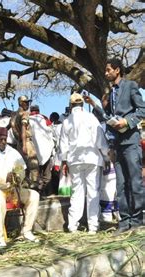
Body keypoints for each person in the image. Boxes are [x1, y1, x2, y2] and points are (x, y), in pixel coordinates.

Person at [87, 58, 145, 234]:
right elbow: (108, 118)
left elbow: (142, 109)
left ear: (117, 70)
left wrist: (127, 122)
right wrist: (95, 106)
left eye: (108, 70)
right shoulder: (111, 92)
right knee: (120, 184)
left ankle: (137, 220)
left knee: (135, 182)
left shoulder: (131, 86)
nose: (105, 74)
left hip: (131, 142)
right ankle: (124, 221)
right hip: (117, 145)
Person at [0, 127, 40, 246]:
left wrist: (17, 176)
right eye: (0, 139)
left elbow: (21, 169)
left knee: (34, 195)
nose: (3, 142)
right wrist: (5, 178)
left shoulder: (12, 151)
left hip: (12, 188)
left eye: (5, 139)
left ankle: (26, 231)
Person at [59, 93, 109, 234]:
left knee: (77, 193)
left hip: (74, 160)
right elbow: (100, 138)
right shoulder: (91, 118)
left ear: (71, 105)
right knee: (93, 192)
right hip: (92, 158)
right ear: (82, 104)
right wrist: (106, 156)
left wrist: (64, 161)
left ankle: (72, 226)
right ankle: (93, 226)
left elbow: (63, 144)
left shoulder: (67, 121)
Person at [10, 95, 40, 190]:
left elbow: (9, 126)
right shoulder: (24, 114)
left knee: (23, 167)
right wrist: (24, 144)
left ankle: (25, 188)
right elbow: (23, 128)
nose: (27, 104)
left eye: (28, 102)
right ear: (21, 103)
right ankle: (34, 188)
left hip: (19, 143)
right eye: (25, 102)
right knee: (33, 165)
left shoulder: (14, 115)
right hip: (25, 142)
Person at [29, 104, 55, 194]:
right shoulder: (45, 119)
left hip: (32, 151)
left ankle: (39, 192)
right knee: (47, 175)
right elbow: (51, 131)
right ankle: (43, 191)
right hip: (46, 151)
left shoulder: (27, 120)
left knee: (36, 174)